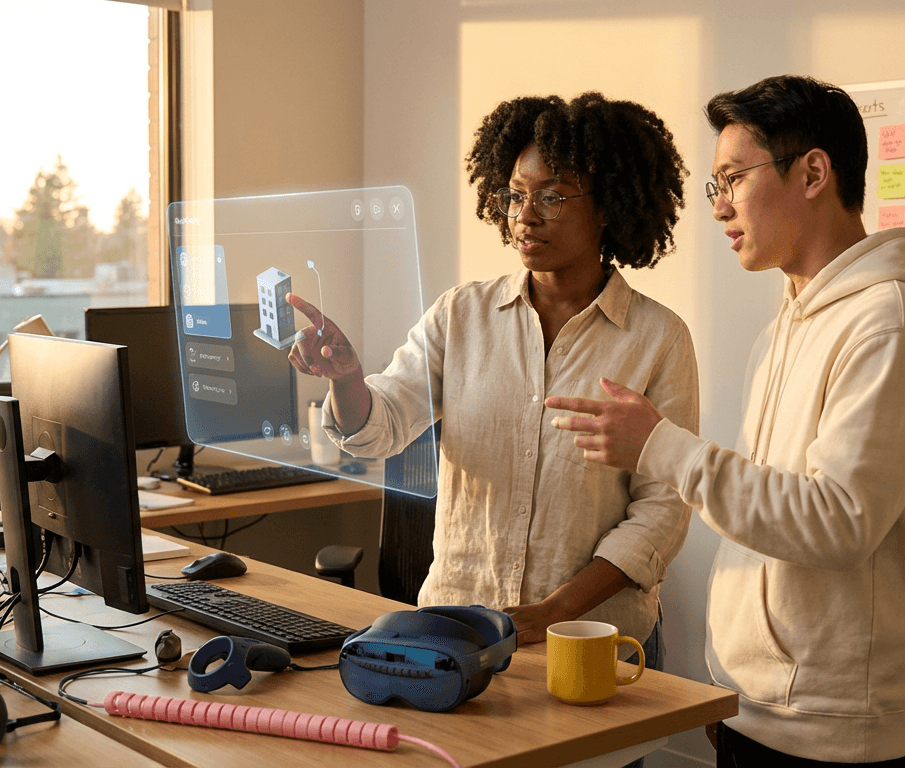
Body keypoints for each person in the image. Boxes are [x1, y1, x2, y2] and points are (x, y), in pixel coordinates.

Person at [547, 75, 905, 767]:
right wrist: (732, 686)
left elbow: (836, 522)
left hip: (831, 732)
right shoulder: (790, 321)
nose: (719, 207)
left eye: (733, 179)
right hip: (760, 707)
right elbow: (770, 515)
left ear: (813, 173)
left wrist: (663, 448)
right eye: (716, 186)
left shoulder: (892, 325)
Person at [286, 93, 700, 668]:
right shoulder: (461, 315)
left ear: (608, 205)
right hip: (457, 635)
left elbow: (662, 511)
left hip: (590, 642)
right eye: (514, 195)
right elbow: (380, 428)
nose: (525, 216)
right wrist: (348, 380)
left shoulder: (658, 338)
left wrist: (554, 611)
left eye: (551, 197)